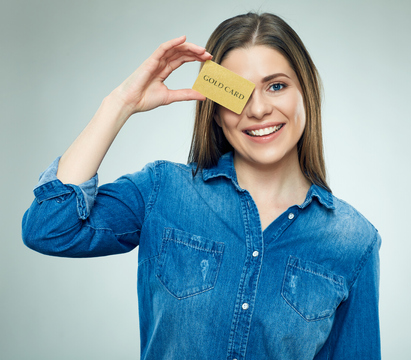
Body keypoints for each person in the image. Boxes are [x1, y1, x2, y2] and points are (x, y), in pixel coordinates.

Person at [22, 12, 381, 360]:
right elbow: (49, 227)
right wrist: (119, 104)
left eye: (276, 86)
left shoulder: (353, 241)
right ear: (215, 107)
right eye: (237, 92)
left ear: (306, 92)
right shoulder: (164, 190)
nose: (257, 110)